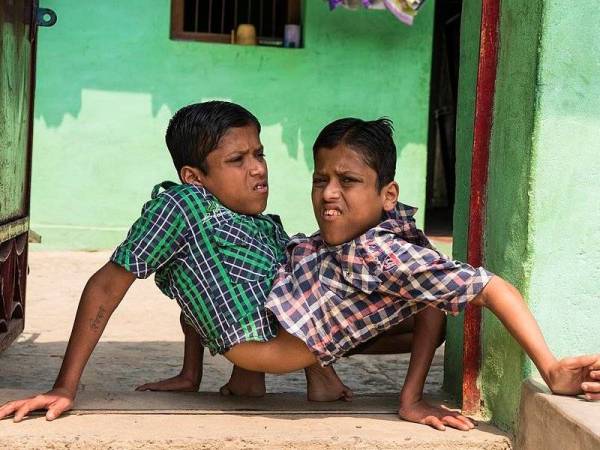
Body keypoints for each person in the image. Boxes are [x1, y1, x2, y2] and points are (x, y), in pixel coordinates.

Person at [222, 117, 600, 431]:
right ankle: (304, 376)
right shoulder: (365, 238)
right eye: (321, 180)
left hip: (266, 351)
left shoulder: (386, 255)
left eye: (348, 181)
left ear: (388, 195)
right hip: (256, 342)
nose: (328, 194)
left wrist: (550, 369)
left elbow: (492, 287)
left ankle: (311, 376)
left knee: (427, 293)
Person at [0, 101, 351, 424]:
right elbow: (105, 286)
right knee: (403, 297)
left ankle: (264, 381)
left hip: (280, 341)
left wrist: (190, 373)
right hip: (273, 348)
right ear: (194, 177)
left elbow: (203, 289)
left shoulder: (249, 221)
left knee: (298, 257)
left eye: (259, 154)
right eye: (237, 160)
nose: (258, 169)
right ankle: (402, 396)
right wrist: (64, 387)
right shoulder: (183, 206)